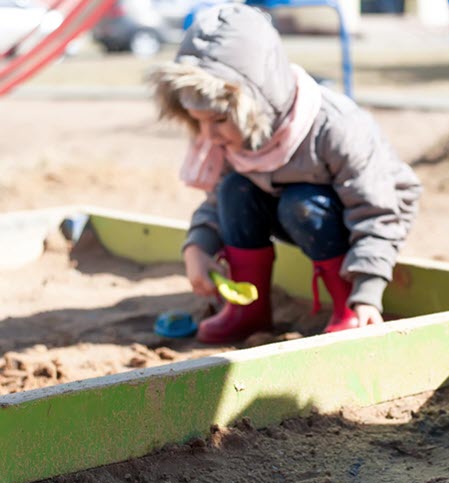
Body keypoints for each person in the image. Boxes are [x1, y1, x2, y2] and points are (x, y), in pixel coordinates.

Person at [147, 3, 422, 344]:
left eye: (218, 120)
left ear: (255, 103)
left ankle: (346, 304)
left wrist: (367, 292)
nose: (209, 136)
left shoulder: (335, 128)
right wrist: (198, 247)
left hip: (356, 221)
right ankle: (250, 310)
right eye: (197, 121)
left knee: (301, 202)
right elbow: (217, 200)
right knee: (235, 189)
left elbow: (378, 211)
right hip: (293, 215)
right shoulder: (235, 137)